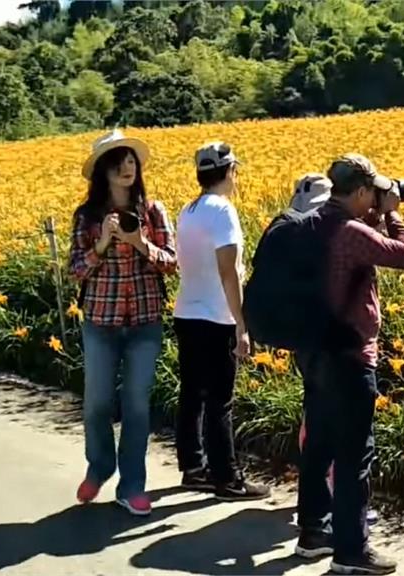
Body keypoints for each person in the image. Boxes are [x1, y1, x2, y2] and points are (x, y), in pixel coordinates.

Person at [293, 154, 404, 575]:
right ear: (362, 191)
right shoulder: (350, 230)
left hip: (313, 350)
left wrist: (376, 218)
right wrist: (395, 215)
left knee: (319, 445)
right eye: (374, 193)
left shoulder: (311, 221)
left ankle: (312, 533)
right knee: (353, 455)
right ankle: (351, 551)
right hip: (349, 357)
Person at [68, 129, 177, 516]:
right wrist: (102, 244)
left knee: (136, 406)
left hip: (145, 322)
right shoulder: (87, 217)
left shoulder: (153, 211)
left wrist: (137, 242)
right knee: (96, 402)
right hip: (101, 322)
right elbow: (76, 270)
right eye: (119, 162)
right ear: (104, 172)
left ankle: (132, 486)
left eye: (131, 161)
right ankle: (99, 468)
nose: (128, 167)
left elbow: (171, 261)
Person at [172, 142, 271, 501]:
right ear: (230, 172)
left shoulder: (189, 210)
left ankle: (193, 467)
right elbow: (229, 273)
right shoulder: (223, 211)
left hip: (187, 312)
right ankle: (227, 479)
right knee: (220, 400)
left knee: (192, 394)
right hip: (216, 317)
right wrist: (241, 324)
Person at [288, 172, 382, 525]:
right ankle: (347, 532)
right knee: (350, 444)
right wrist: (391, 216)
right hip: (343, 348)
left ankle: (314, 521)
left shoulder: (299, 231)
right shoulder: (343, 231)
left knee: (316, 431)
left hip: (309, 342)